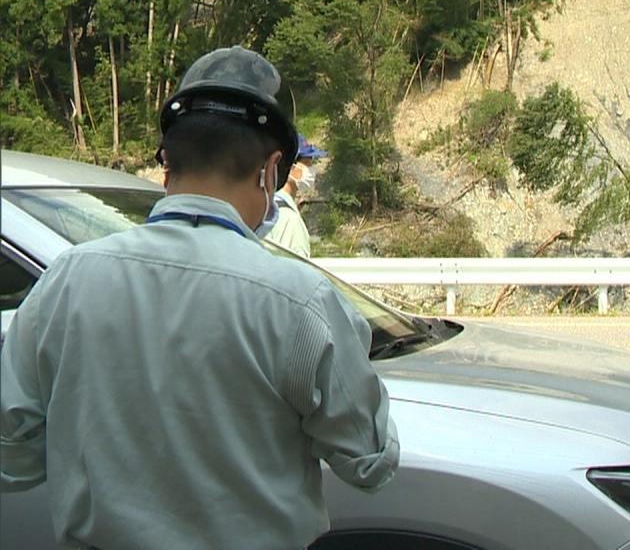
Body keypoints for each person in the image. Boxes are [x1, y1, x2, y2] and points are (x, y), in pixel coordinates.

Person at [0, 47, 399, 549]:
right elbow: (371, 463)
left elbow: (11, 460)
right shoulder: (299, 301)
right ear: (270, 171)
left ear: (167, 164)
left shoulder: (67, 281)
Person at [266, 132, 328, 257]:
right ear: (291, 167)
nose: (311, 171)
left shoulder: (267, 207)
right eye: (307, 164)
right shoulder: (288, 219)